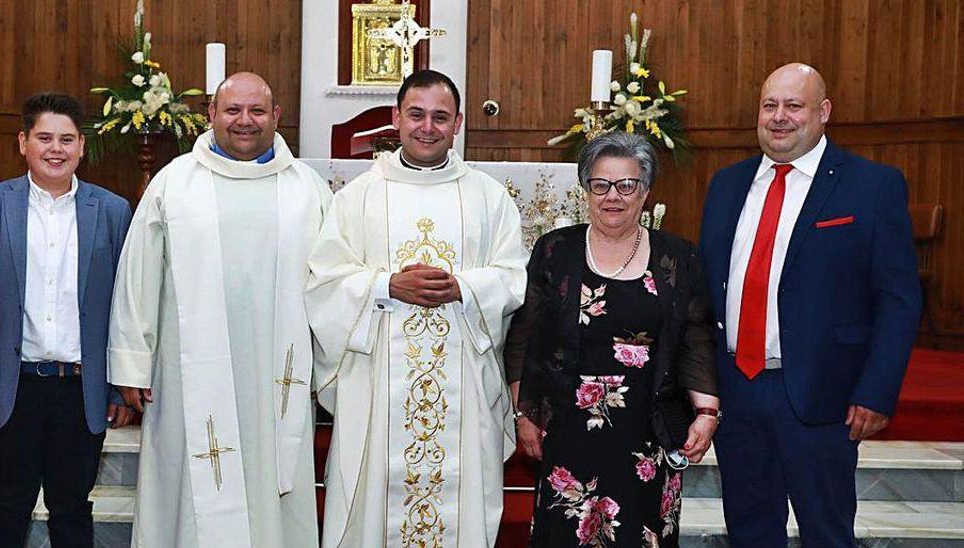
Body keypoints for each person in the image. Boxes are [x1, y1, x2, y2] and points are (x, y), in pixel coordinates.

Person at [698, 63, 920, 547]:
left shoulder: (871, 186)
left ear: (823, 113)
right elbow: (707, 288)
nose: (779, 117)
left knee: (827, 533)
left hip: (823, 395)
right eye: (769, 105)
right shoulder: (726, 185)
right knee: (750, 532)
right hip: (737, 391)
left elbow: (898, 300)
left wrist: (877, 390)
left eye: (793, 106)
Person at [107, 72, 331, 548]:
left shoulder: (307, 189)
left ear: (277, 117)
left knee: (273, 488)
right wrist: (132, 362)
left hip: (278, 379)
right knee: (189, 490)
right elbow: (138, 276)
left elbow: (332, 285)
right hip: (189, 375)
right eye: (232, 110)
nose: (244, 121)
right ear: (210, 115)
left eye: (256, 111)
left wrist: (329, 368)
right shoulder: (175, 183)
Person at [307, 69, 527, 548]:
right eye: (417, 115)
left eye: (440, 117)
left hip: (463, 383)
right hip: (377, 380)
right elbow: (323, 282)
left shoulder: (487, 197)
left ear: (459, 123)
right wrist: (387, 285)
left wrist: (462, 288)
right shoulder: (357, 197)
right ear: (396, 118)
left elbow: (514, 277)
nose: (428, 127)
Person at [508, 132, 720, 547]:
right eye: (600, 184)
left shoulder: (677, 257)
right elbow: (525, 336)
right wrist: (524, 413)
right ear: (586, 188)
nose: (613, 197)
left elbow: (695, 338)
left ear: (646, 191)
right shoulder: (556, 250)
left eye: (627, 185)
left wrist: (707, 411)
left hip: (648, 432)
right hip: (569, 430)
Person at [0, 92, 134, 548]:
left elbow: (124, 307)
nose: (57, 148)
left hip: (80, 388)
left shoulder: (111, 211)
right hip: (14, 386)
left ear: (82, 147)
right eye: (45, 137)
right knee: (8, 505)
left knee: (72, 509)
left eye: (67, 139)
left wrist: (119, 385)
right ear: (23, 142)